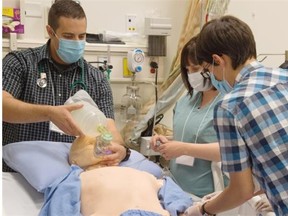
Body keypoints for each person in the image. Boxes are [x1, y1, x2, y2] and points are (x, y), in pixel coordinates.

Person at [2, 0, 127, 172]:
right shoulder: (20, 63)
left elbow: (109, 127)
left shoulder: (96, 78)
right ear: (50, 32)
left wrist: (119, 149)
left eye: (82, 36)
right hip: (20, 174)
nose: (77, 42)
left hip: (71, 174)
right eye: (68, 36)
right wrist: (48, 113)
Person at [185, 15, 288, 215]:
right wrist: (266, 188)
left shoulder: (230, 107)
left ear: (218, 61)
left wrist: (202, 210)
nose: (213, 79)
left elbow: (241, 191)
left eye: (208, 70)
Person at [150, 36, 227, 198]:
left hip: (208, 195)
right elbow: (188, 137)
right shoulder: (186, 101)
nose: (192, 74)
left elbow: (231, 149)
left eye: (196, 68)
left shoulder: (227, 102)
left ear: (212, 65)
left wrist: (183, 148)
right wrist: (166, 143)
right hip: (176, 188)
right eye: (187, 69)